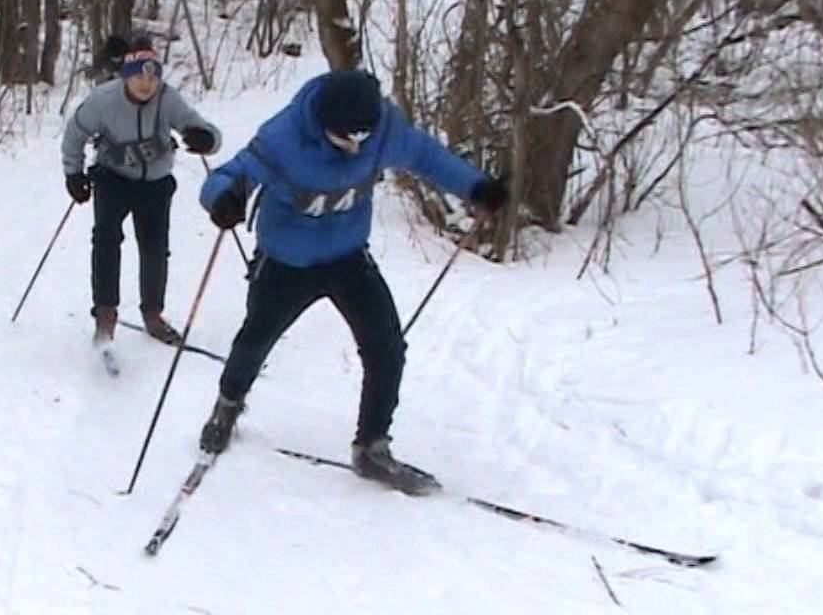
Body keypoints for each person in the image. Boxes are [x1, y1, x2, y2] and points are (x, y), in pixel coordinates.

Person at [195, 69, 508, 494]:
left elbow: (426, 156)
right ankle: (226, 407)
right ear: (325, 124)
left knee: (387, 347)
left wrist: (476, 186)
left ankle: (372, 448)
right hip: (287, 260)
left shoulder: (382, 126)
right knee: (255, 339)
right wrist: (223, 199)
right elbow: (229, 175)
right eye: (346, 139)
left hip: (347, 255)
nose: (357, 147)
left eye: (364, 138)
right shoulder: (284, 138)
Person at [62, 34, 223, 347]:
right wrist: (73, 173)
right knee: (107, 240)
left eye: (152, 77)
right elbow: (75, 133)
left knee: (154, 248)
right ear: (126, 75)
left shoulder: (167, 98)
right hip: (113, 177)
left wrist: (204, 138)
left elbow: (206, 131)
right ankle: (105, 317)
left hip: (156, 182)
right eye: (138, 76)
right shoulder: (103, 99)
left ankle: (153, 315)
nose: (146, 84)